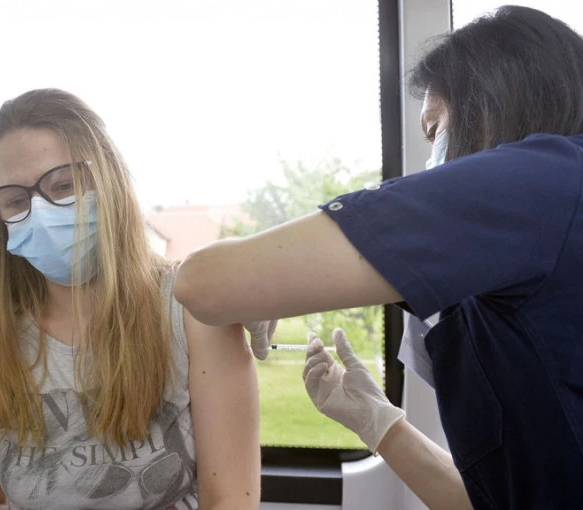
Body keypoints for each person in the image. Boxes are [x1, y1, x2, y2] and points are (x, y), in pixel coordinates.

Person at [174, 6, 583, 510]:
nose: (432, 163)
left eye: (435, 131)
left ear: (491, 108)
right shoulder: (526, 257)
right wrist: (379, 422)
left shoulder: (541, 183)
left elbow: (201, 282)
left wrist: (264, 281)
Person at [0, 88, 264, 510]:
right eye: (16, 200)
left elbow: (231, 500)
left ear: (109, 180)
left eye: (63, 186)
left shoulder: (191, 312)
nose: (42, 214)